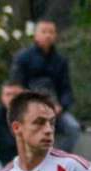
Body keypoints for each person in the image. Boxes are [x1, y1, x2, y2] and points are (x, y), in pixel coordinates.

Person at [10, 20, 80, 152]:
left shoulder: (61, 61)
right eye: (44, 31)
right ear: (35, 35)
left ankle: (53, 159)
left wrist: (61, 106)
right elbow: (16, 86)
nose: (48, 35)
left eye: (51, 32)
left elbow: (66, 89)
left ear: (55, 36)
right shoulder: (22, 58)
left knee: (73, 128)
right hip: (28, 109)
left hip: (55, 110)